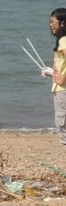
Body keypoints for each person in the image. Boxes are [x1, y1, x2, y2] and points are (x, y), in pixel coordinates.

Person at [42, 8, 66, 145]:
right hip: (61, 88)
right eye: (50, 22)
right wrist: (52, 72)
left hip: (63, 90)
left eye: (53, 22)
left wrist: (62, 78)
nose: (51, 25)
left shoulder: (63, 40)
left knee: (63, 127)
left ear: (63, 23)